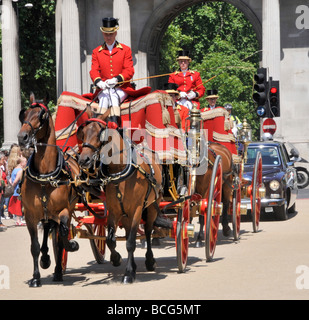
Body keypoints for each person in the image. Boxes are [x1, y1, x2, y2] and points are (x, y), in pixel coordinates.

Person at [89, 17, 135, 127]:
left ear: (115, 33)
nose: (108, 37)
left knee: (113, 96)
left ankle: (114, 125)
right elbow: (94, 70)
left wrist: (116, 79)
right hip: (104, 88)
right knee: (104, 97)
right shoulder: (96, 52)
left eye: (111, 34)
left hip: (121, 88)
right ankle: (99, 127)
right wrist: (99, 81)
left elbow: (129, 70)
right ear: (102, 33)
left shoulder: (125, 50)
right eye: (106, 34)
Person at [201, 89, 238, 155]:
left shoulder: (222, 110)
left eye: (214, 99)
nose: (213, 101)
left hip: (220, 138)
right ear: (208, 100)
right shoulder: (203, 111)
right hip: (208, 137)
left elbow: (227, 124)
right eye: (211, 99)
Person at [8, 156, 27, 226]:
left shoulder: (14, 169)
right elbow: (15, 181)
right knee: (18, 206)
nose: (26, 163)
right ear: (21, 163)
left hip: (15, 191)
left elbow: (10, 179)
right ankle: (18, 220)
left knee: (17, 205)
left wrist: (10, 187)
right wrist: (12, 188)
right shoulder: (20, 170)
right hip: (17, 190)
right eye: (25, 162)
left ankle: (18, 220)